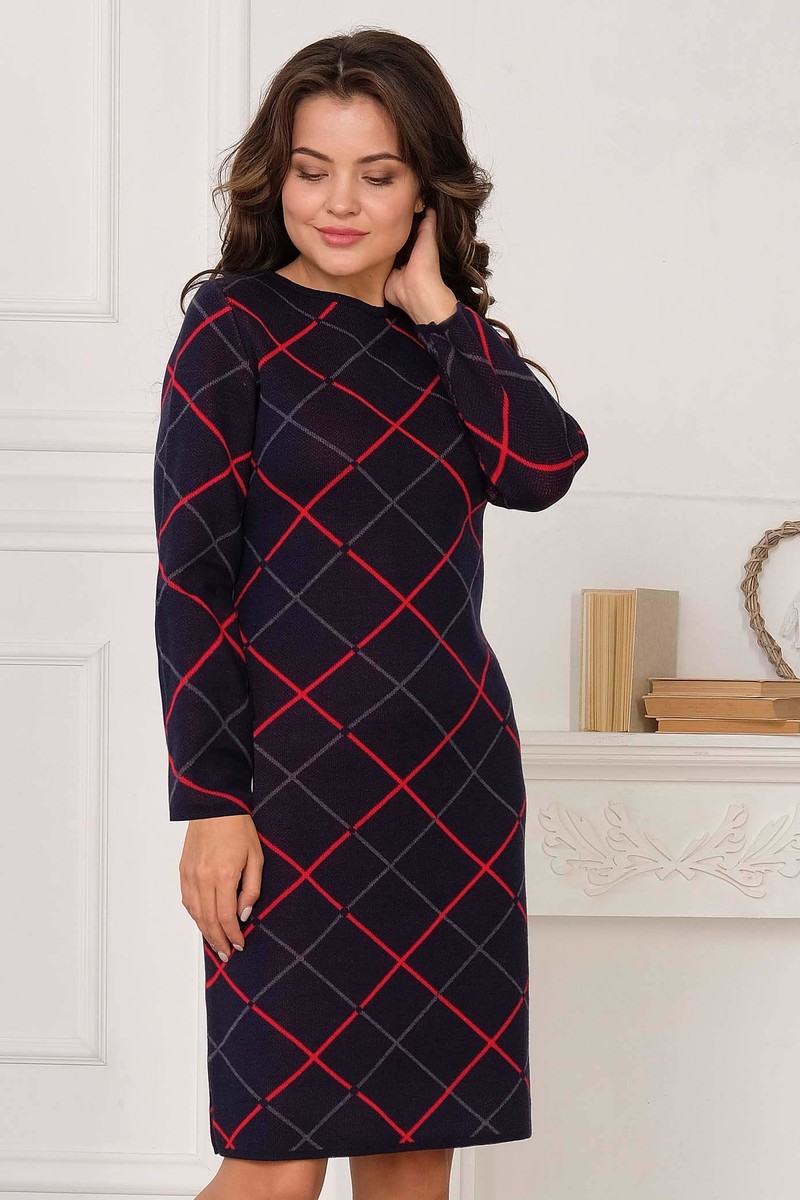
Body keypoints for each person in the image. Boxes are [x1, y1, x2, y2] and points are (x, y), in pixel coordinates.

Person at [153, 26, 589, 1200]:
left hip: (449, 790)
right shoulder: (233, 328)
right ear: (277, 177)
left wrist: (440, 311)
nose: (338, 203)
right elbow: (191, 580)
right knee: (277, 1168)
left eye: (376, 174)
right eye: (312, 170)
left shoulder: (454, 346)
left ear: (424, 191)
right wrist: (209, 800)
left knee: (412, 1159)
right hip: (292, 796)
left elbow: (540, 470)